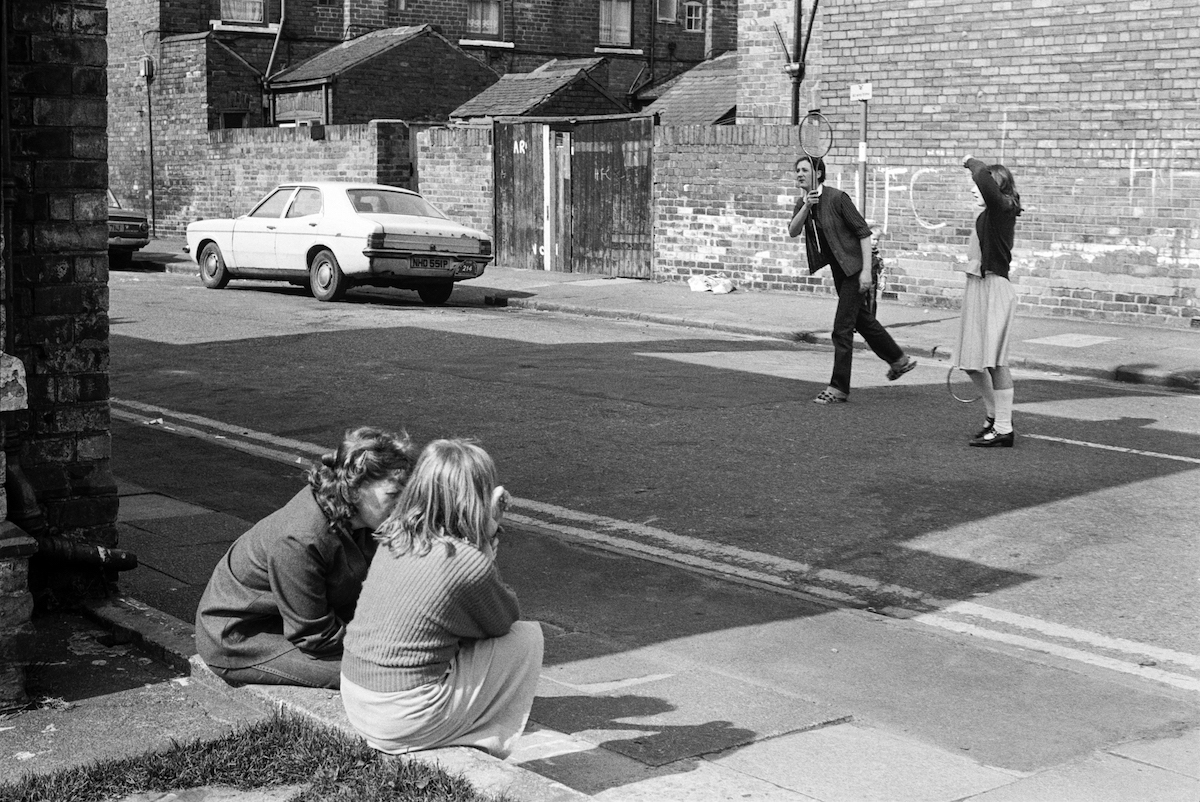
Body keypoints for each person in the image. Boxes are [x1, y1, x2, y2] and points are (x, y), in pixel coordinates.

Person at [340, 438, 543, 760]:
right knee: (525, 638)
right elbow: (502, 618)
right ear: (477, 497)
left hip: (357, 698)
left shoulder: (396, 536)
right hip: (398, 718)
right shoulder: (463, 559)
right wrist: (488, 533)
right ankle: (483, 738)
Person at [195, 426, 415, 688]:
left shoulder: (358, 517)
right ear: (354, 489)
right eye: (393, 495)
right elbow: (314, 637)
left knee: (410, 661)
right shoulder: (300, 537)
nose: (403, 505)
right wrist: (390, 649)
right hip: (243, 639)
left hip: (295, 622)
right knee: (389, 676)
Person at [788, 154, 917, 404]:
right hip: (840, 271)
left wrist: (867, 271)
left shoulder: (837, 198)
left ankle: (839, 387)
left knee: (842, 328)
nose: (799, 174)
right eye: (797, 171)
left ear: (819, 174)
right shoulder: (803, 202)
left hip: (856, 268)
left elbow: (864, 233)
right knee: (863, 321)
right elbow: (793, 231)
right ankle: (899, 360)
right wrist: (806, 206)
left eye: (804, 170)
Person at [956, 156, 1023, 447]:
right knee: (971, 362)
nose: (974, 188)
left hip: (995, 288)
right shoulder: (984, 215)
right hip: (978, 287)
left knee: (995, 362)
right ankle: (994, 416)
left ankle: (1004, 429)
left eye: (979, 185)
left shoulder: (1001, 211)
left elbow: (983, 178)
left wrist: (972, 162)